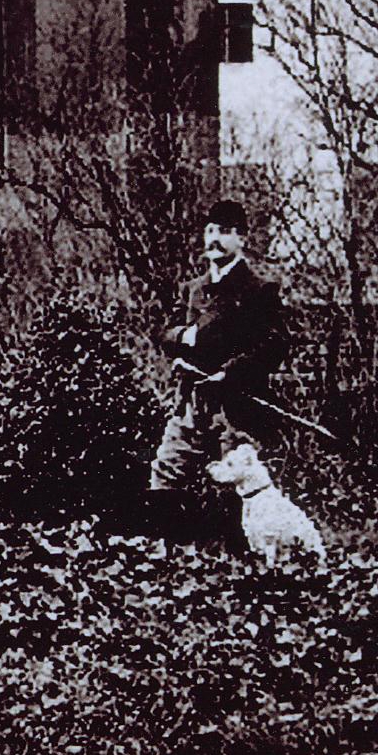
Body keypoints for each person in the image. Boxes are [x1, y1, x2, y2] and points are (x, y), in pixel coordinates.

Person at [147, 198, 291, 529]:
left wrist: (230, 372)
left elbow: (274, 345)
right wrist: (186, 337)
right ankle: (165, 548)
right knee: (166, 471)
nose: (214, 239)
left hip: (237, 407)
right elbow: (164, 333)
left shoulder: (258, 290)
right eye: (210, 231)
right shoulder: (192, 290)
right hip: (191, 403)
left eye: (224, 232)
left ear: (242, 238)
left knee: (237, 488)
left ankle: (243, 552)